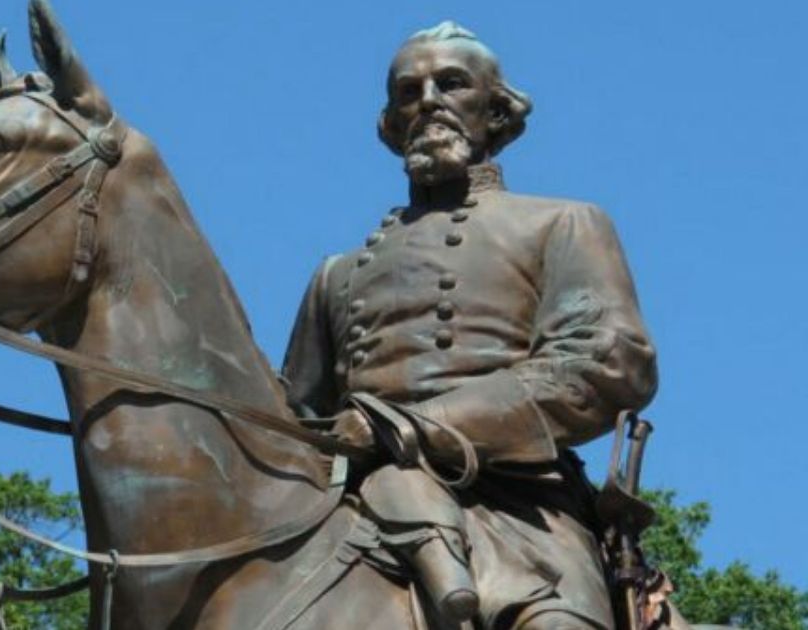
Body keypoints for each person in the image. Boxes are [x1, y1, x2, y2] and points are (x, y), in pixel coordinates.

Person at [281, 21, 658, 630]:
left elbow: (606, 365)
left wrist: (407, 427)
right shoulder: (337, 276)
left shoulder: (562, 223)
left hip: (519, 510)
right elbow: (291, 424)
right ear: (391, 123)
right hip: (359, 507)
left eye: (451, 84)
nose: (428, 100)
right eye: (409, 91)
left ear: (497, 111)